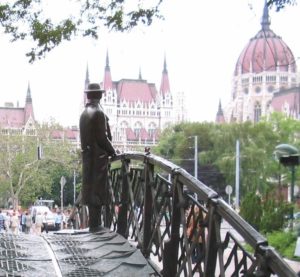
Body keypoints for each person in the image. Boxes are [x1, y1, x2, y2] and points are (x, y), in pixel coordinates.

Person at [79, 83, 116, 232]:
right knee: (98, 193)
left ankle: (94, 225)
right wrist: (113, 152)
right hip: (99, 158)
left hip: (89, 158)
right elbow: (102, 138)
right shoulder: (98, 113)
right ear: (99, 95)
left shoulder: (84, 113)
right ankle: (96, 226)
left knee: (91, 191)